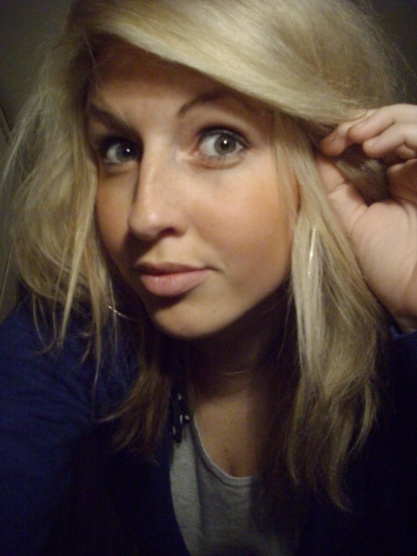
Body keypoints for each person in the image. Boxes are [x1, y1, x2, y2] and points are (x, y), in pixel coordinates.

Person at [1, 0, 417, 554]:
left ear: (324, 158)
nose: (144, 215)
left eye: (221, 141)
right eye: (120, 149)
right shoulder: (75, 332)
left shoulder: (393, 367)